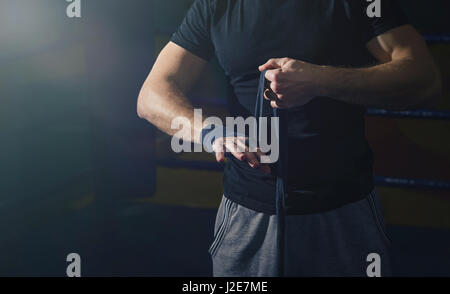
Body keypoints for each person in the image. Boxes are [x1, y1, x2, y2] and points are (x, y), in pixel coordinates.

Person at [137, 0, 441, 277]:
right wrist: (212, 132)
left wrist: (320, 80)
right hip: (248, 212)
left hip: (344, 209)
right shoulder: (217, 4)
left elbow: (422, 76)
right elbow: (151, 95)